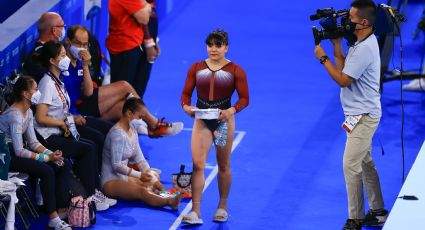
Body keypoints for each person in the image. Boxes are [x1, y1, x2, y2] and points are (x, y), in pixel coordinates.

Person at [313, 1, 388, 229]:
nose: (346, 23)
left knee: (350, 165)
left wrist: (323, 58)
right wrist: (336, 44)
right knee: (365, 162)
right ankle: (378, 211)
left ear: (364, 22)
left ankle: (354, 219)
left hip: (364, 117)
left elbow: (343, 81)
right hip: (358, 114)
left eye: (351, 19)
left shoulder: (364, 48)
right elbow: (346, 68)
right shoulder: (361, 41)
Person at [180, 29, 249, 224]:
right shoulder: (195, 68)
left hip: (223, 124)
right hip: (202, 122)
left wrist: (231, 111)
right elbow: (185, 94)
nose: (214, 49)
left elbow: (245, 99)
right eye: (210, 45)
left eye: (218, 45)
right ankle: (195, 211)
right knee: (198, 165)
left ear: (226, 47)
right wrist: (186, 107)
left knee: (223, 165)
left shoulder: (236, 70)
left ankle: (222, 206)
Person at [64, 24, 183, 137]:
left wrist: (85, 66)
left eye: (85, 45)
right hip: (77, 108)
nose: (82, 48)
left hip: (85, 103)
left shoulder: (80, 61)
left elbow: (88, 90)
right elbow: (88, 93)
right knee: (124, 86)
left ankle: (147, 128)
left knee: (124, 107)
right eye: (78, 44)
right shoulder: (62, 62)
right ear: (68, 41)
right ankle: (154, 124)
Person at [33, 40, 110, 211]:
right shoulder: (46, 83)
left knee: (91, 144)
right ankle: (90, 196)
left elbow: (60, 109)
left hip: (60, 130)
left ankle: (91, 192)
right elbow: (40, 117)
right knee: (87, 149)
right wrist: (62, 122)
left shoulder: (58, 80)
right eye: (62, 56)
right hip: (47, 137)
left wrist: (69, 119)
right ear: (53, 61)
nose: (66, 58)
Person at [0, 76, 72, 230]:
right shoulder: (15, 115)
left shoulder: (28, 112)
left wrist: (52, 155)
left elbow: (33, 142)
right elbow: (19, 151)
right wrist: (46, 158)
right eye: (36, 89)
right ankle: (53, 218)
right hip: (5, 157)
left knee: (62, 163)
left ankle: (61, 210)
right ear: (26, 94)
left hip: (14, 152)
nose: (38, 92)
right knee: (46, 170)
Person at [101, 97, 182, 209]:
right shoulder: (117, 135)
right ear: (129, 113)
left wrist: (156, 182)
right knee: (142, 190)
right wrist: (139, 175)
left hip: (124, 177)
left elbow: (140, 160)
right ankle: (169, 201)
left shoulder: (132, 131)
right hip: (110, 181)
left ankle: (163, 194)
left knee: (153, 175)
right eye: (140, 117)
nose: (143, 121)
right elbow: (117, 166)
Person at [106, 0, 152, 98]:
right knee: (123, 93)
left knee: (129, 90)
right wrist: (147, 6)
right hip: (126, 49)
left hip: (129, 46)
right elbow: (144, 18)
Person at [22, 12, 66, 83]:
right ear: (54, 31)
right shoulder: (37, 59)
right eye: (62, 26)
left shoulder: (58, 47)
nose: (64, 28)